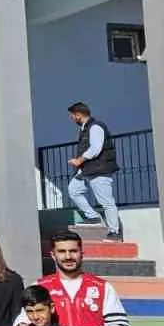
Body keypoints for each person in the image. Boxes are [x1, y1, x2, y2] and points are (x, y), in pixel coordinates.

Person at [65, 102, 123, 241]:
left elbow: (95, 149)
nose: (71, 119)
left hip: (99, 170)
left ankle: (114, 232)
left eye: (72, 116)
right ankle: (93, 216)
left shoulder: (96, 127)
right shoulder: (85, 129)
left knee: (107, 202)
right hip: (87, 170)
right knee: (74, 190)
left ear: (78, 115)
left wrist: (79, 160)